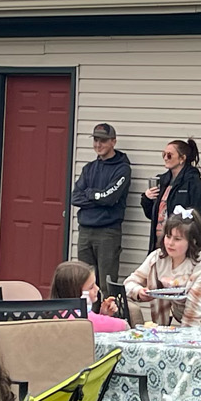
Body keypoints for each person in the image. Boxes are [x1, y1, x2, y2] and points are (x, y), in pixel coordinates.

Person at [123, 208, 201, 327]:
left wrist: (186, 337)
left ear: (192, 241)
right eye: (168, 237)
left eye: (177, 239)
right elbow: (128, 283)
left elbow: (194, 305)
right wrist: (138, 291)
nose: (170, 243)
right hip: (186, 317)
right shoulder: (157, 257)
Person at [68, 124, 132, 293]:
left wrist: (90, 194)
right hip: (85, 231)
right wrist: (98, 197)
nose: (98, 144)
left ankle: (108, 318)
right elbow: (75, 197)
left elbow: (110, 198)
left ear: (113, 142)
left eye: (103, 140)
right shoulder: (88, 168)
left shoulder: (122, 169)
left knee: (105, 285)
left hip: (107, 233)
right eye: (96, 140)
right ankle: (89, 318)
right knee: (84, 284)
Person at [140, 138, 201, 239]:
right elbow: (152, 215)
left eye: (169, 155)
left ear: (182, 159)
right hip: (159, 241)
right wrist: (146, 198)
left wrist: (188, 242)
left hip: (182, 243)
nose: (165, 158)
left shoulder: (194, 184)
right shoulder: (161, 181)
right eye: (163, 154)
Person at [49, 259, 128, 334]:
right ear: (74, 292)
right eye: (91, 287)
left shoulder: (60, 312)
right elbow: (93, 322)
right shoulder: (72, 315)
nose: (97, 288)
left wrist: (104, 315)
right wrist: (124, 324)